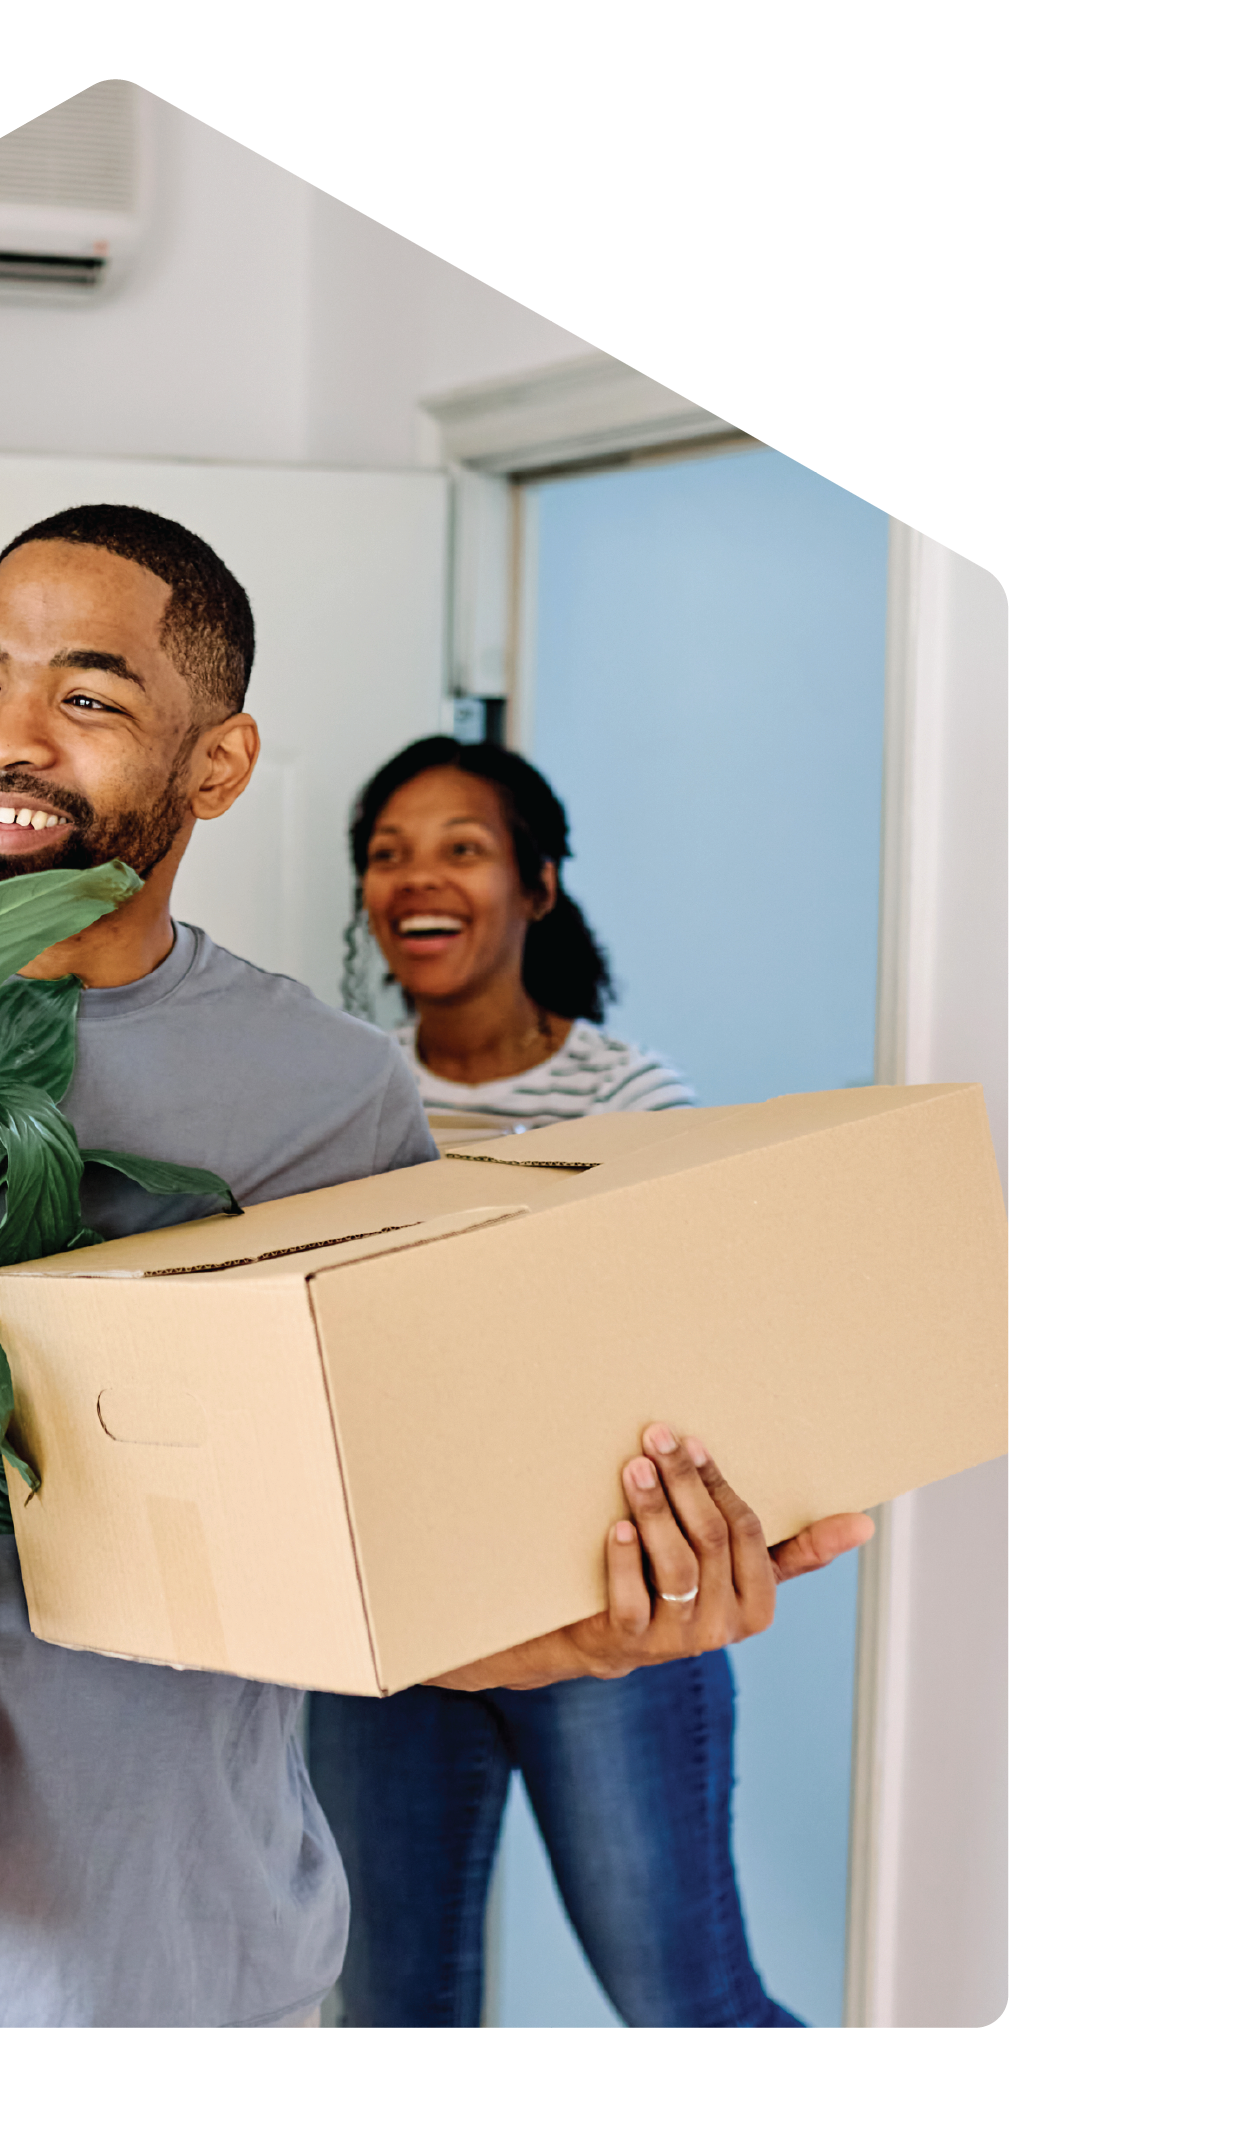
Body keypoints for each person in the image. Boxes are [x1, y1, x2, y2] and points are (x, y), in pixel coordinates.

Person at [0, 508, 873, 2033]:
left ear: (219, 764)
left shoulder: (327, 1098)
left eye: (87, 696)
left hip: (195, 1989)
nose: (4, 737)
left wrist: (600, 1628)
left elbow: (375, 1573)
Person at [309, 733, 818, 2040]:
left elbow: (697, 1344)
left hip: (610, 1600)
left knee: (686, 2003)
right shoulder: (340, 1096)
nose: (417, 877)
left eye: (462, 848)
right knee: (395, 2014)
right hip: (399, 1610)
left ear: (537, 885)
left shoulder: (630, 1094)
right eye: (389, 853)